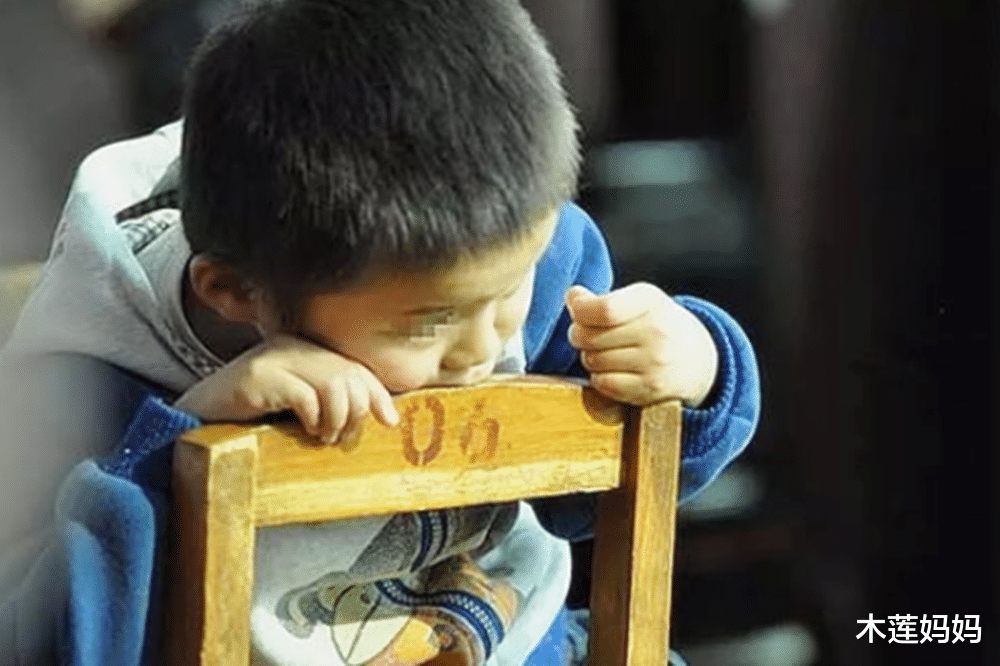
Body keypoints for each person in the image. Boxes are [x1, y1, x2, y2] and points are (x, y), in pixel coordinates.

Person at [0, 0, 760, 664]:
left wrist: (695, 370)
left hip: (518, 639)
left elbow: (593, 492)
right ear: (236, 292)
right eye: (428, 324)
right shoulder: (87, 379)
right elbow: (63, 644)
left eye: (505, 297)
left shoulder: (520, 258)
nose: (479, 350)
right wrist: (185, 441)